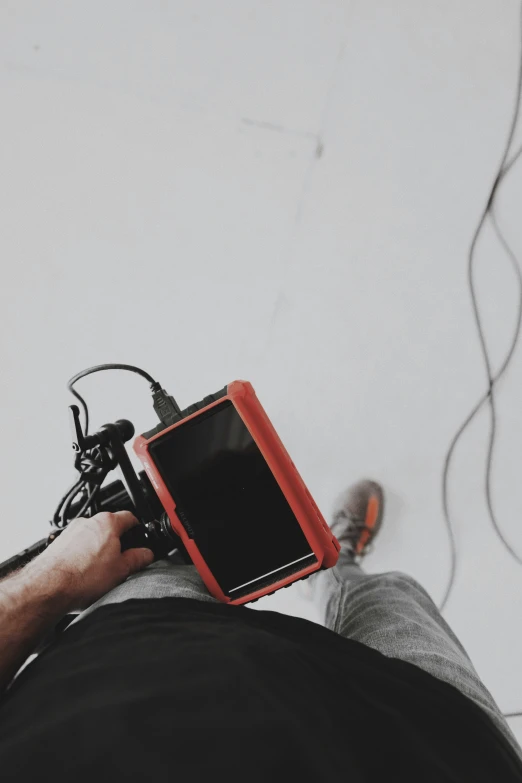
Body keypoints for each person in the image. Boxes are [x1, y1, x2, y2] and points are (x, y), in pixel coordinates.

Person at [0, 479, 521, 781]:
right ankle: (342, 561)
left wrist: (57, 581)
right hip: (441, 750)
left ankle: (330, 558)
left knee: (172, 563)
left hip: (128, 661)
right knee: (391, 594)